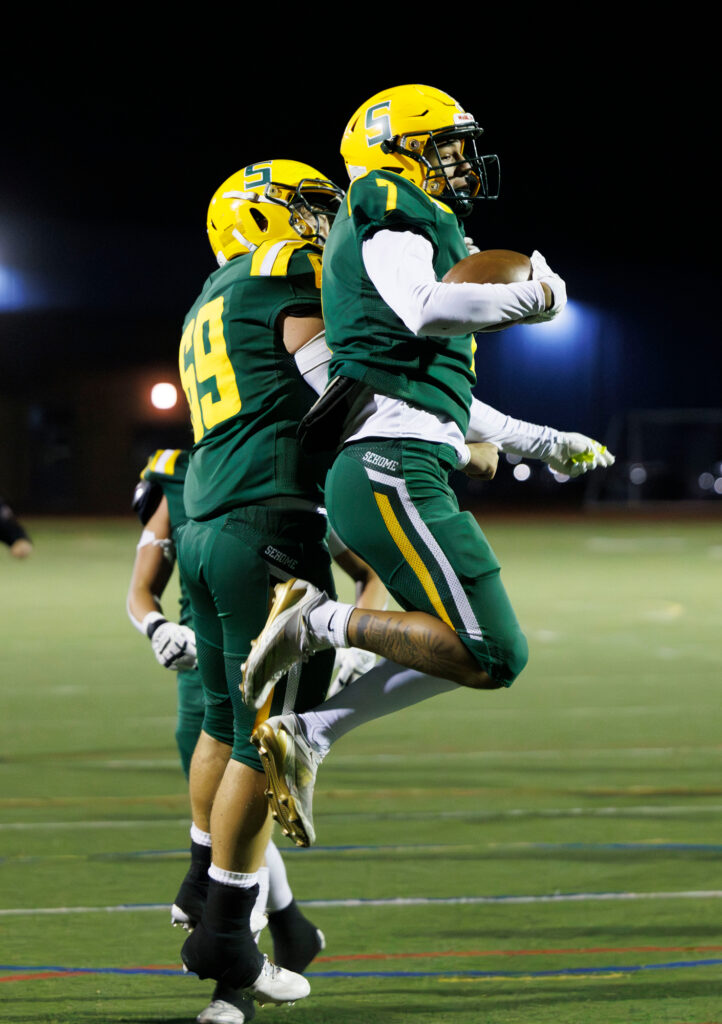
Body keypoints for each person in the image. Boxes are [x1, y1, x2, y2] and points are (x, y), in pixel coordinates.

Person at [241, 84, 615, 848]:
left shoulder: (402, 222)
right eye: (445, 144)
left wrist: (544, 442)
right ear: (397, 148)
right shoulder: (387, 202)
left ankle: (311, 731)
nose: (462, 161)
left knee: (474, 652)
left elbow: (432, 393)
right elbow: (426, 307)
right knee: (492, 651)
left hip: (395, 462)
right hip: (392, 468)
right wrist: (538, 299)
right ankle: (319, 623)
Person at [171, 159, 348, 1015]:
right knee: (263, 738)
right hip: (267, 522)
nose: (323, 224)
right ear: (263, 217)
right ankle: (227, 940)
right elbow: (329, 382)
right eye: (310, 208)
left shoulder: (210, 296)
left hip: (205, 524)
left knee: (218, 722)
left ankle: (207, 890)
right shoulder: (284, 271)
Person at [127, 448, 371, 1023]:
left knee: (239, 817)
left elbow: (366, 568)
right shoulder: (176, 471)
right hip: (205, 682)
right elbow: (139, 589)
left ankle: (234, 986)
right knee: (230, 819)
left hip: (270, 665)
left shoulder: (281, 468)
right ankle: (289, 928)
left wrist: (356, 638)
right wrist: (157, 626)